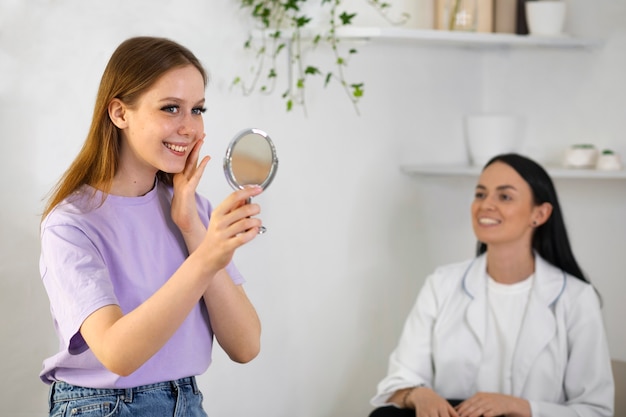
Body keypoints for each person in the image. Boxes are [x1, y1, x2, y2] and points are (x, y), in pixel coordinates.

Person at [39, 36, 263, 417]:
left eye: (197, 110)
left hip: (187, 402)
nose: (189, 127)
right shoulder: (70, 225)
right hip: (103, 407)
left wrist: (193, 229)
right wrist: (206, 257)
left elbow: (245, 346)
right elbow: (117, 354)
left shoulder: (192, 211)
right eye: (171, 108)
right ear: (119, 113)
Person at [369, 153, 614, 417]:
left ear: (540, 214)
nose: (486, 205)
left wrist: (519, 407)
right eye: (480, 194)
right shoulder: (441, 284)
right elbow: (399, 380)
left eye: (504, 196)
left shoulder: (576, 299)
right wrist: (418, 395)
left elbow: (595, 411)